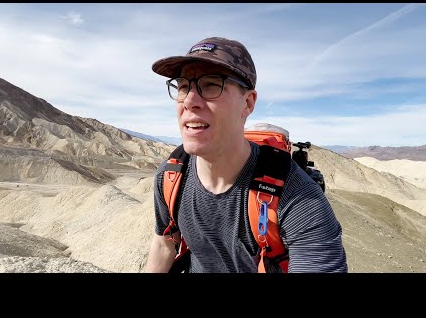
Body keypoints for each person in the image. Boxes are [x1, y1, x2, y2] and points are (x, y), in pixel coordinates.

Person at [145, 37, 348, 273]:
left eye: (211, 85)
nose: (190, 101)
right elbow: (164, 244)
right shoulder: (171, 177)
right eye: (183, 86)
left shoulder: (299, 199)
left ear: (248, 103)